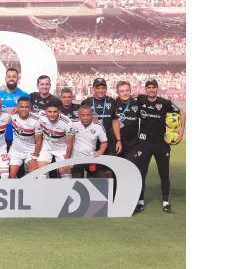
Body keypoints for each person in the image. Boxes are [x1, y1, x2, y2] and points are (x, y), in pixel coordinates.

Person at [133, 79, 186, 214]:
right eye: (149, 87)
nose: (151, 90)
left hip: (161, 144)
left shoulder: (165, 103)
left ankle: (166, 203)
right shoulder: (140, 99)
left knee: (164, 174)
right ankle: (140, 203)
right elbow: (124, 100)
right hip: (144, 143)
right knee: (141, 173)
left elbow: (182, 112)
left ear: (157, 89)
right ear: (145, 89)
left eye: (153, 87)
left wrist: (181, 129)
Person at [80, 78, 122, 178]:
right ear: (93, 89)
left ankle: (109, 193)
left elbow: (115, 121)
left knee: (109, 172)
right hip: (92, 142)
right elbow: (81, 121)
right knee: (92, 171)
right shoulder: (87, 102)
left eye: (103, 88)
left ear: (106, 89)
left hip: (109, 141)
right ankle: (92, 193)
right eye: (98, 88)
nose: (101, 90)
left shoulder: (111, 101)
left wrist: (119, 140)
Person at [0, 68, 31, 152]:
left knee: (17, 164)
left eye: (14, 77)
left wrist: (18, 109)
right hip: (0, 136)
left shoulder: (24, 95)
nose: (11, 79)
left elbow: (29, 115)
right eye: (9, 76)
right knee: (1, 164)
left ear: (18, 78)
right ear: (5, 78)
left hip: (18, 136)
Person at [36, 101, 74, 179]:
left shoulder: (67, 123)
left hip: (62, 149)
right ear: (45, 111)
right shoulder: (40, 116)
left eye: (55, 112)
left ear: (59, 111)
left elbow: (70, 144)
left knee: (66, 177)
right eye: (49, 112)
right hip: (46, 148)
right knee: (40, 176)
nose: (52, 114)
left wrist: (67, 162)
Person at [8, 97, 42, 179]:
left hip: (30, 151)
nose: (24, 109)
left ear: (30, 107)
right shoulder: (12, 116)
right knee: (11, 175)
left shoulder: (36, 120)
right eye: (21, 107)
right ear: (17, 107)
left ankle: (31, 191)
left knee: (34, 174)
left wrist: (34, 158)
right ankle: (15, 191)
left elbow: (39, 141)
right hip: (16, 151)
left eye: (27, 107)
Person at [70, 105, 108, 178]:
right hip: (77, 158)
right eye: (83, 115)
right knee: (76, 183)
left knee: (93, 182)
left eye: (88, 115)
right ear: (78, 115)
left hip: (91, 158)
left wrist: (100, 151)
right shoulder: (72, 123)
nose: (85, 118)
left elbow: (104, 142)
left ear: (92, 115)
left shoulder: (98, 126)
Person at [114, 81, 141, 162]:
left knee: (131, 172)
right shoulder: (113, 103)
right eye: (122, 91)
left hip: (133, 146)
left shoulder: (137, 103)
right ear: (117, 92)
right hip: (116, 144)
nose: (125, 93)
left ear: (130, 91)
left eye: (127, 90)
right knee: (116, 173)